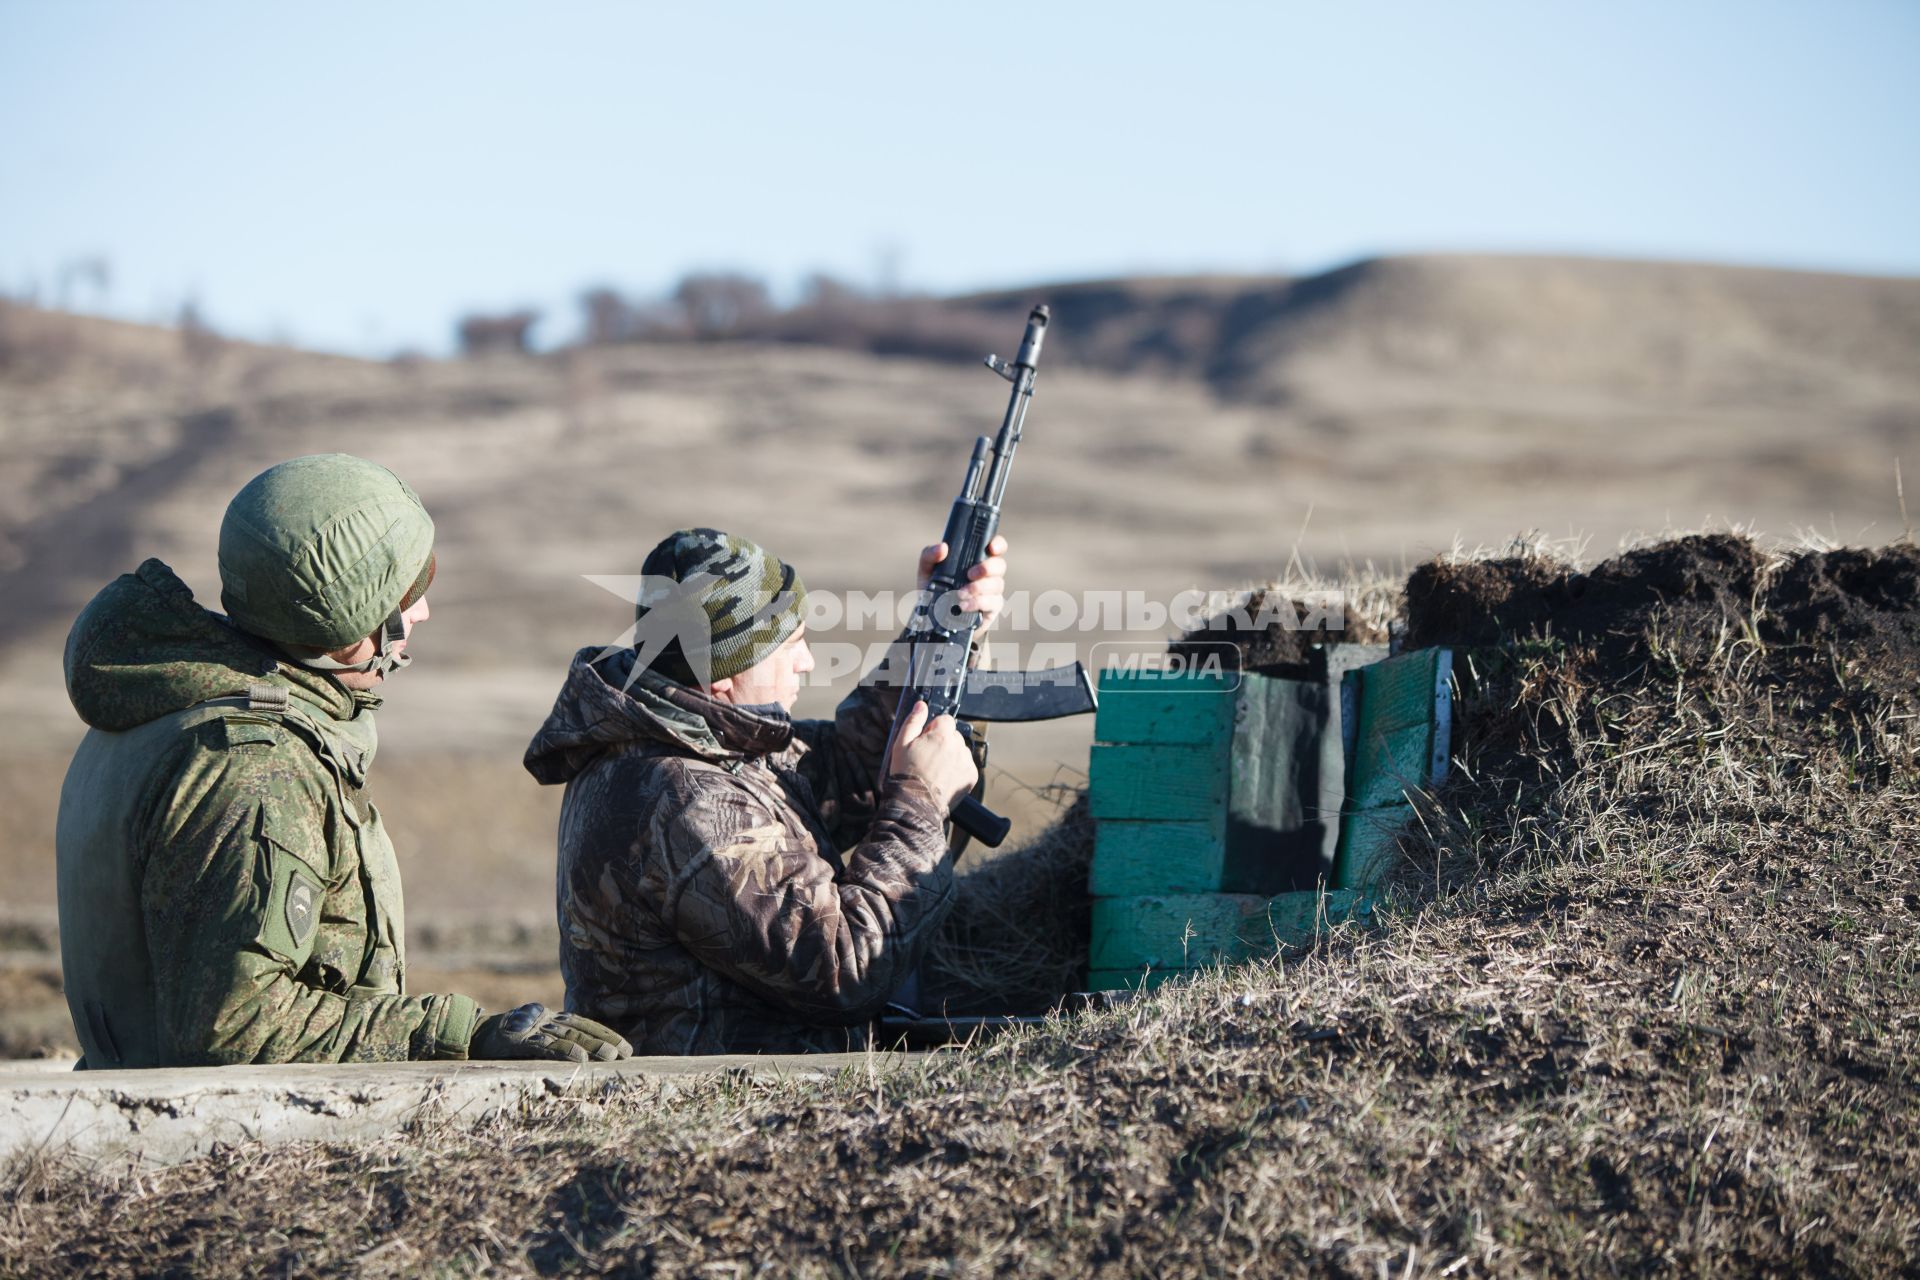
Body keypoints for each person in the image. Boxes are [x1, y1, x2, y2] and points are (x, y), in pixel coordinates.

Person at [56, 453, 631, 1069]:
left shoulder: (166, 709)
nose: (422, 612)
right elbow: (236, 1026)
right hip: (237, 1149)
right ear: (352, 619)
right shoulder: (254, 769)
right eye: (409, 592)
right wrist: (462, 1035)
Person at [524, 527, 1006, 1054]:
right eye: (790, 645)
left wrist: (941, 626)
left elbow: (847, 769)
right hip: (726, 1112)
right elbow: (844, 968)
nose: (808, 663)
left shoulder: (701, 738)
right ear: (722, 676)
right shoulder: (689, 796)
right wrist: (921, 802)